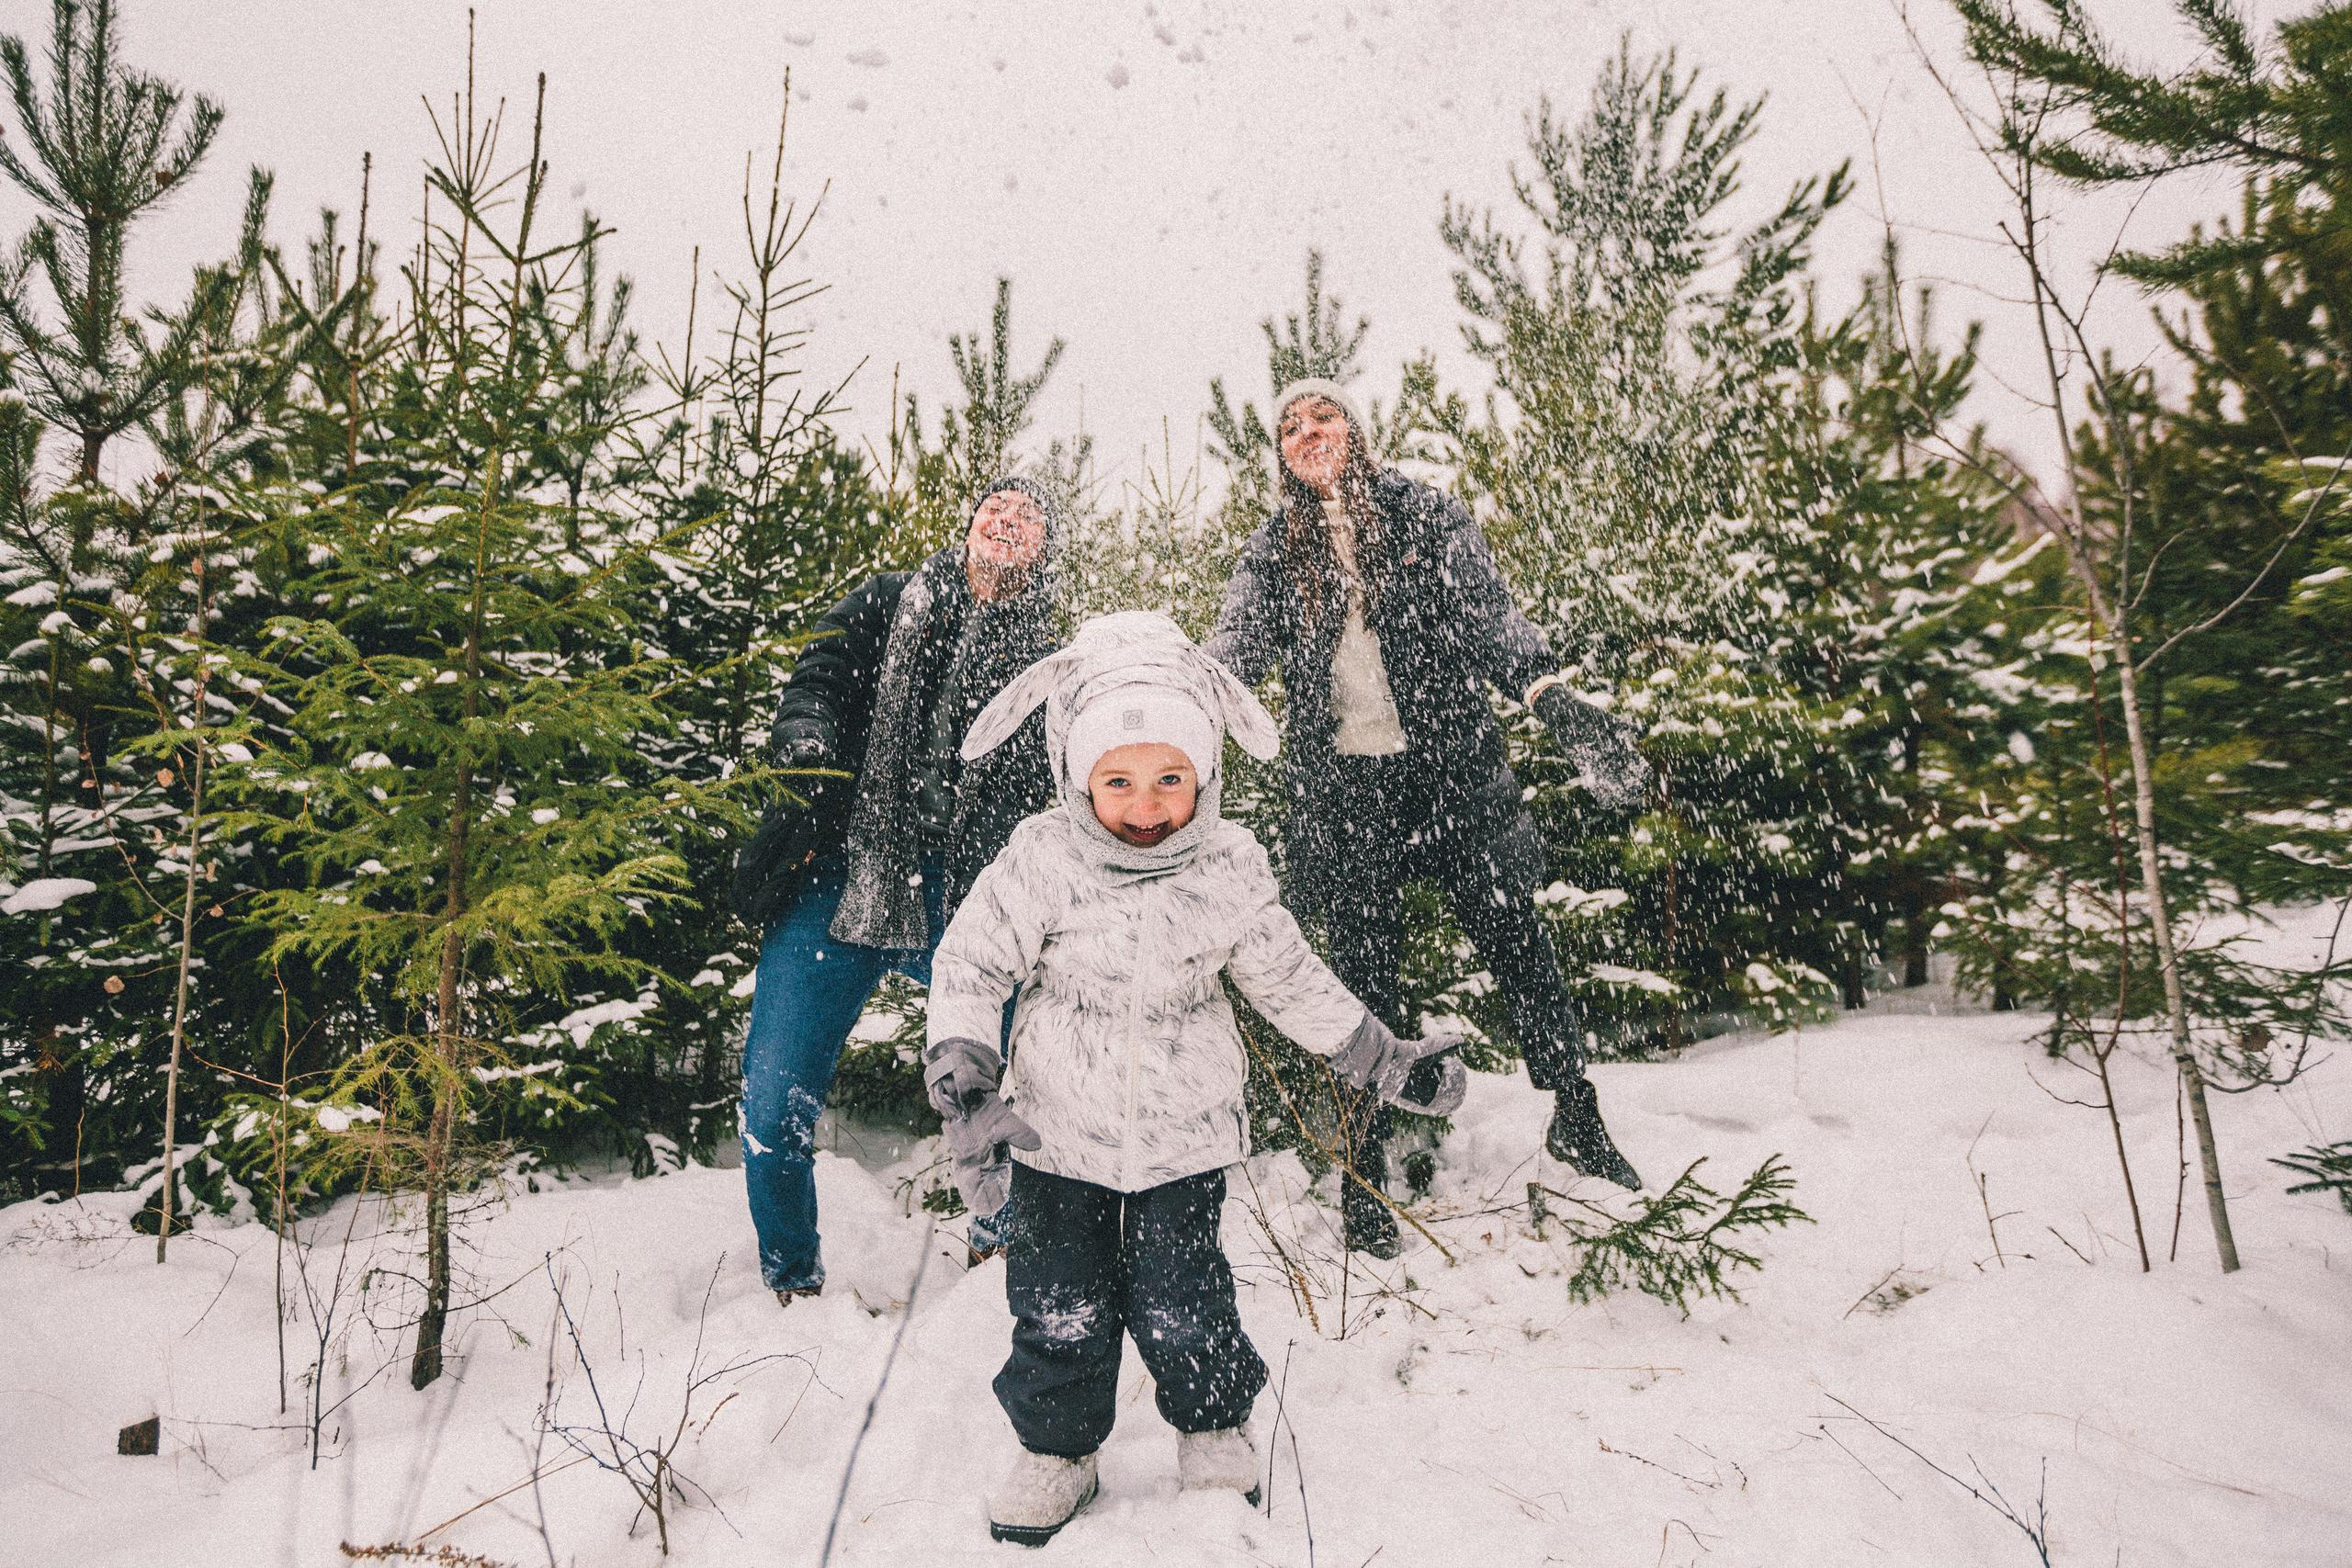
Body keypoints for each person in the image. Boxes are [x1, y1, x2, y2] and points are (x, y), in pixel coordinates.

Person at [924, 613, 1463, 1545]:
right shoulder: (1040, 859)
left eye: (1169, 778)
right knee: (1058, 1303)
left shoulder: (1229, 866)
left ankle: (1212, 1424)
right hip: (1056, 1133)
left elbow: (1290, 981)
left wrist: (1385, 1061)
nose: (1144, 804)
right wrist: (966, 1079)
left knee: (1186, 1298)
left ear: (1206, 775)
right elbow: (971, 966)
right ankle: (1058, 1448)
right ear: (1075, 774)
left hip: (1185, 1135)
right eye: (1119, 781)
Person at [1204, 377, 1652, 1258]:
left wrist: (1555, 699)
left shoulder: (1423, 515)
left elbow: (1490, 618)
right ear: (1280, 455)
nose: (1308, 431)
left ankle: (1575, 1110)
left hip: (1450, 776)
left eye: (1324, 414)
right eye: (1290, 426)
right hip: (1344, 796)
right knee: (1365, 976)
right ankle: (1365, 1162)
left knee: (1517, 939)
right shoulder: (1273, 550)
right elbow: (1238, 643)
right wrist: (1179, 695)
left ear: (1356, 429)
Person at [736, 478, 1060, 1305]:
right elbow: (820, 672)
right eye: (994, 507)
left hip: (966, 897)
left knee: (1026, 1073)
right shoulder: (892, 599)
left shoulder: (1047, 653)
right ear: (969, 524)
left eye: (1026, 516)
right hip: (848, 878)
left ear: (1043, 548)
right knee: (775, 1105)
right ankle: (791, 1281)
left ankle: (1002, 1247)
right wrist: (807, 737)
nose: (1004, 519)